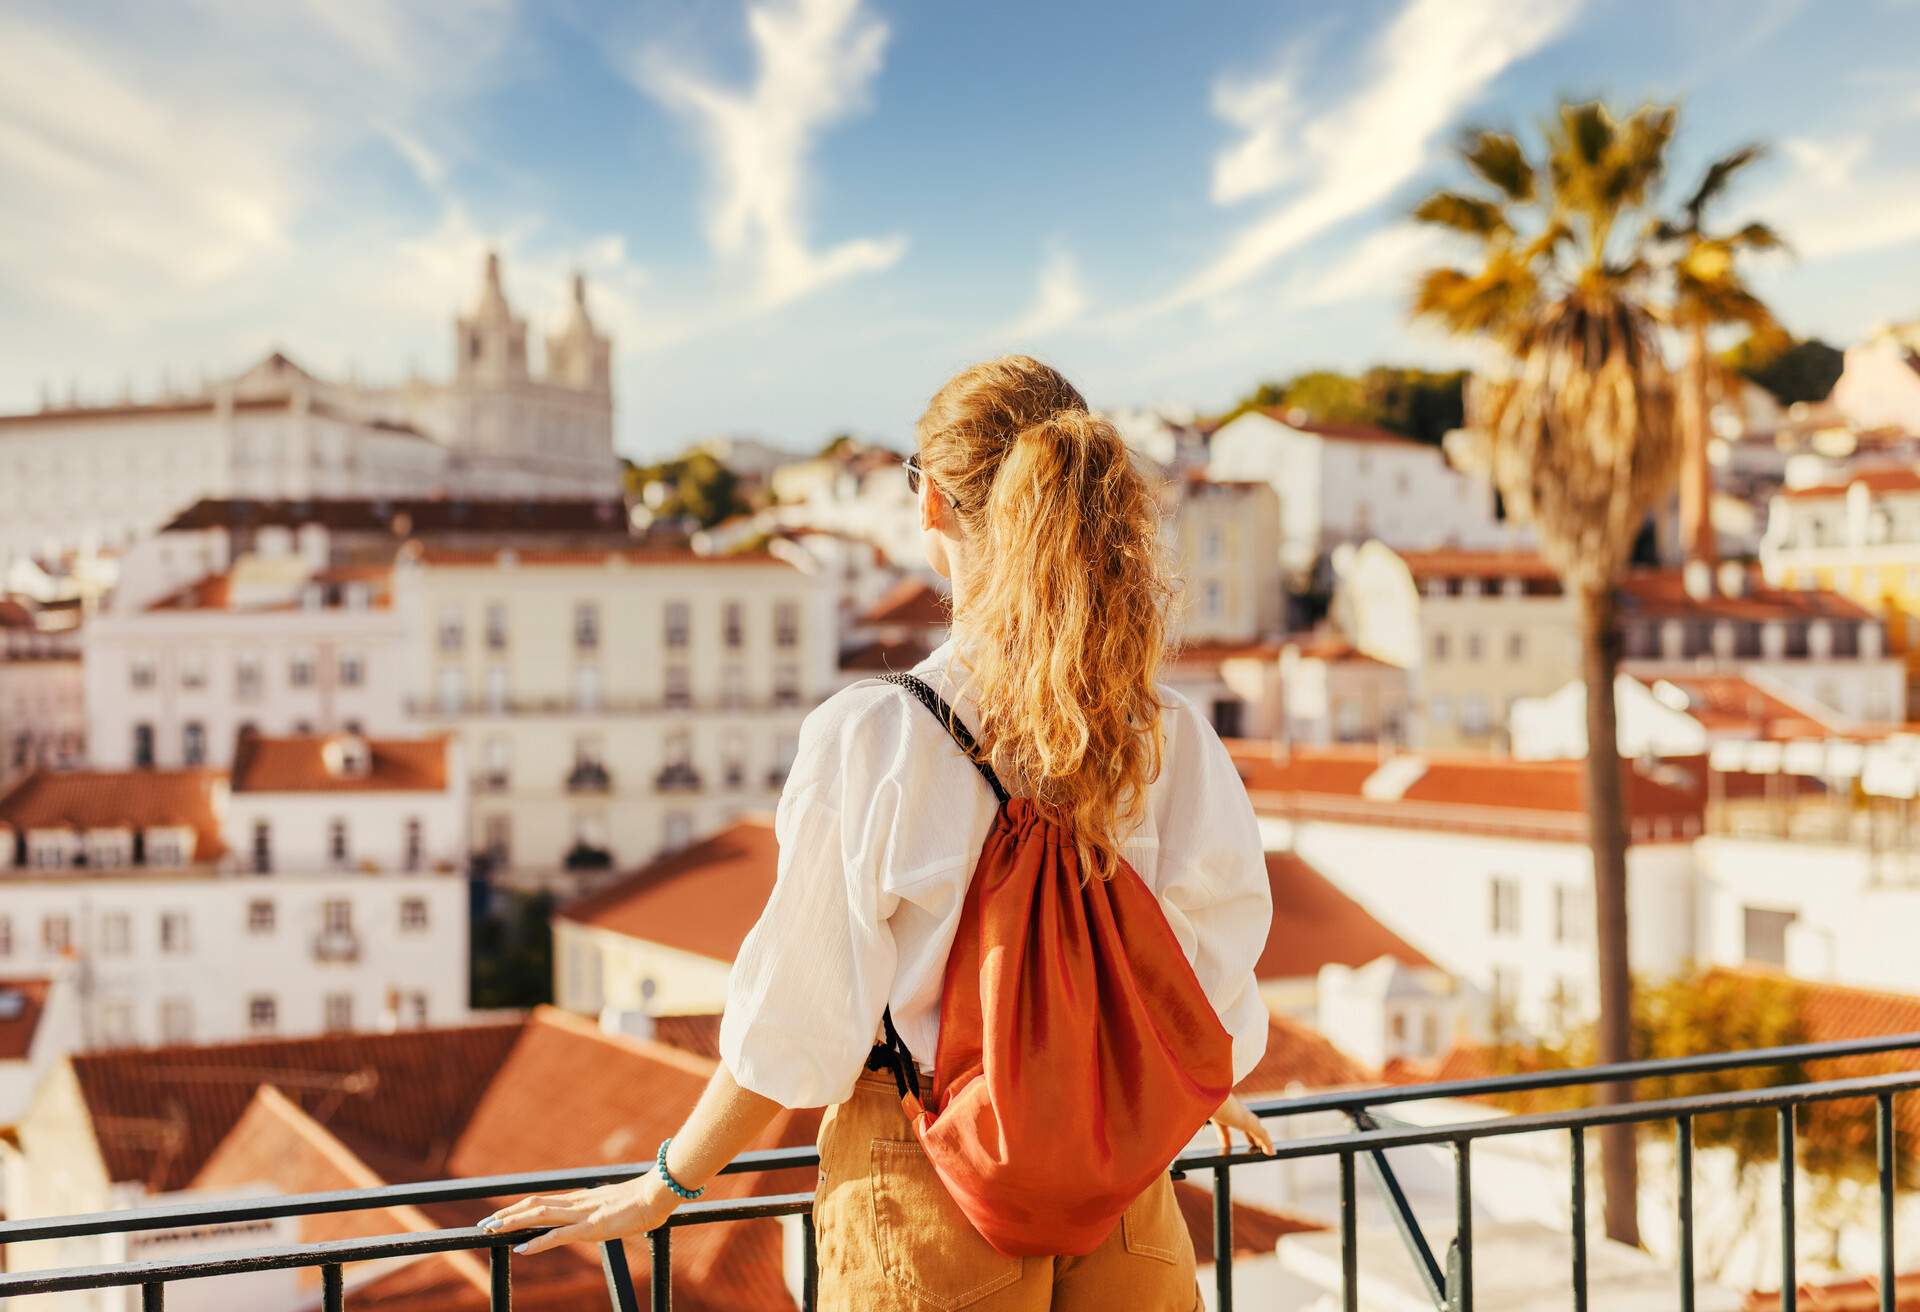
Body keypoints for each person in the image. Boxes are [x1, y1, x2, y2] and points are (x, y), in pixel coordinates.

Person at [481, 356, 1276, 1309]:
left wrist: (670, 1182)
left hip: (929, 1174)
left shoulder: (881, 736)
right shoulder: (1168, 732)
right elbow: (1214, 959)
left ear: (931, 502)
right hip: (1122, 1186)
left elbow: (803, 1013)